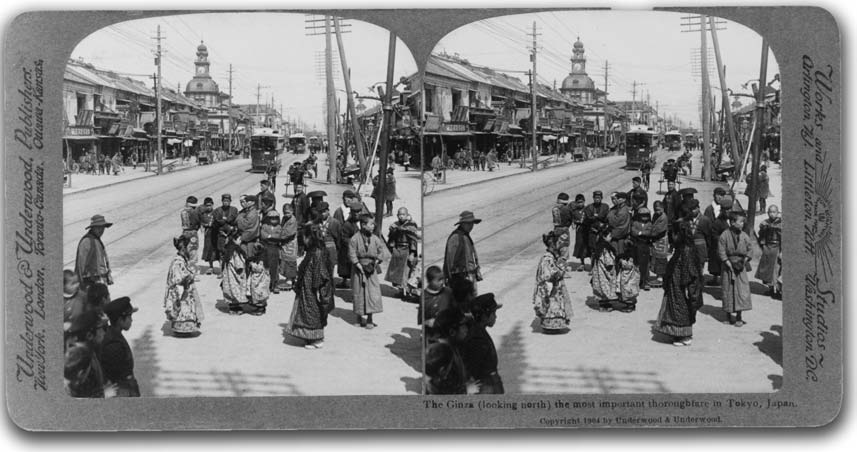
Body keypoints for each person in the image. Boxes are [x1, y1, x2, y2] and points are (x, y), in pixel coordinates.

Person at [653, 213, 704, 346]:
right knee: (676, 308)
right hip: (675, 284)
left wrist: (688, 287)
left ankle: (684, 335)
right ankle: (678, 334)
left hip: (682, 286)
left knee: (681, 308)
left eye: (674, 234)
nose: (672, 237)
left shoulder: (687, 250)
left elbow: (690, 272)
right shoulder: (680, 249)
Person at [288, 223, 335, 349]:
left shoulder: (318, 253)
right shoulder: (313, 251)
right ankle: (310, 337)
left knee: (313, 312)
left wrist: (318, 290)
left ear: (310, 238)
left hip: (314, 289)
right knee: (307, 311)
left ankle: (316, 338)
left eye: (304, 237)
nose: (303, 240)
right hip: (308, 287)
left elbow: (320, 273)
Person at [349, 213, 388, 328]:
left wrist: (376, 263)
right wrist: (358, 266)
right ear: (363, 225)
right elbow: (352, 253)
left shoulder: (375, 239)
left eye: (373, 224)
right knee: (358, 293)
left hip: (371, 269)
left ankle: (370, 318)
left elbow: (381, 252)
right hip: (358, 269)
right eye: (371, 224)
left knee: (372, 293)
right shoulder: (354, 239)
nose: (373, 226)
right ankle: (358, 317)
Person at [460, 293, 504, 394]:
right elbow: (471, 369)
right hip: (485, 389)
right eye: (493, 313)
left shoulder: (478, 331)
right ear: (484, 316)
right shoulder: (477, 340)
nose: (495, 316)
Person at [424, 308, 474, 395]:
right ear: (452, 332)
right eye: (463, 326)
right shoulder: (442, 356)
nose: (467, 329)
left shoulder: (455, 347)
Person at [718, 211, 754, 326]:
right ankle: (728, 316)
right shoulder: (724, 235)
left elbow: (750, 249)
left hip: (740, 267)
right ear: (733, 222)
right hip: (727, 267)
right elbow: (721, 251)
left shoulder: (744, 236)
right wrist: (728, 263)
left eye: (744, 221)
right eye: (741, 221)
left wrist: (745, 261)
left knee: (741, 291)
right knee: (727, 290)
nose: (743, 224)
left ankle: (739, 316)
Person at [164, 235, 204, 336]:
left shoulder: (182, 259)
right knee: (182, 310)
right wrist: (190, 276)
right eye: (188, 247)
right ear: (183, 248)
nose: (190, 249)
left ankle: (185, 328)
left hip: (185, 291)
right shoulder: (178, 262)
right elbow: (179, 278)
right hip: (181, 293)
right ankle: (182, 329)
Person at [100, 297, 140, 397]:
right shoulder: (114, 345)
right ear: (120, 320)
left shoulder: (113, 334)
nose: (132, 320)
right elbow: (117, 377)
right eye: (129, 316)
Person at [533, 230, 573, 331]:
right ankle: (551, 325)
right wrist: (561, 268)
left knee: (556, 304)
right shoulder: (547, 259)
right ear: (553, 245)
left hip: (555, 287)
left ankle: (555, 324)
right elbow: (550, 274)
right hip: (550, 289)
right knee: (552, 305)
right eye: (558, 243)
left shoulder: (553, 257)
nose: (560, 245)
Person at [64, 310, 107, 398]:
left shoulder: (88, 350)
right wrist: (106, 393)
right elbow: (70, 391)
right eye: (102, 328)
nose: (104, 332)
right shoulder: (79, 354)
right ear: (89, 335)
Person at [385, 207, 421, 296]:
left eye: (403, 214)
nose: (401, 216)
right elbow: (391, 238)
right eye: (399, 214)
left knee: (406, 272)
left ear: (407, 215)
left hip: (407, 250)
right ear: (397, 215)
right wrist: (394, 230)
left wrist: (412, 253)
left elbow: (413, 240)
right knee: (397, 272)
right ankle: (400, 291)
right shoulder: (395, 225)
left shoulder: (411, 226)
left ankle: (407, 292)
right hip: (397, 250)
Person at [75, 214, 114, 293]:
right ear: (93, 228)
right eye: (98, 227)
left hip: (100, 281)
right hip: (92, 283)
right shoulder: (87, 241)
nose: (101, 230)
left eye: (102, 227)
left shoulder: (96, 240)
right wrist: (80, 284)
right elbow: (80, 265)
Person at [332, 202, 362, 288]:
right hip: (351, 247)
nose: (356, 214)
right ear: (351, 213)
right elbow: (344, 238)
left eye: (358, 212)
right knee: (346, 262)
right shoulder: (347, 224)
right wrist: (354, 243)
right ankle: (345, 280)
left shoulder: (365, 221)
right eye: (354, 212)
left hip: (363, 248)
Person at [421, 265, 455, 340]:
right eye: (438, 280)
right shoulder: (425, 296)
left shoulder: (448, 292)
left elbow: (454, 310)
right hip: (432, 332)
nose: (442, 282)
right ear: (429, 282)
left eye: (442, 279)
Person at [590, 222, 618, 312]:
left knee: (601, 288)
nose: (611, 237)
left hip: (599, 271)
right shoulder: (605, 248)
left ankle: (603, 304)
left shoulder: (599, 246)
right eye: (610, 236)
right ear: (604, 237)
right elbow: (608, 262)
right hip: (604, 271)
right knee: (605, 287)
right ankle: (605, 306)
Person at [756, 205, 782, 298]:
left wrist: (782, 252)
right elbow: (761, 236)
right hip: (767, 247)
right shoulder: (764, 223)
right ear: (767, 213)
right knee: (767, 269)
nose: (772, 214)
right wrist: (763, 246)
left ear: (778, 213)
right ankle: (771, 288)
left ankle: (777, 290)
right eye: (770, 212)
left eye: (774, 212)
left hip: (777, 247)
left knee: (776, 269)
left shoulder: (781, 224)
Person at [219, 225, 247, 315]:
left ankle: (232, 308)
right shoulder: (236, 251)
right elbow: (239, 265)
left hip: (228, 275)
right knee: (236, 291)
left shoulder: (228, 250)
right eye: (239, 239)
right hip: (235, 276)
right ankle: (236, 308)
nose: (241, 241)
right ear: (234, 239)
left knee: (230, 291)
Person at [707, 196, 734, 285]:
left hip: (732, 248)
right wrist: (724, 240)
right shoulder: (718, 222)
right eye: (726, 210)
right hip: (721, 248)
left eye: (729, 210)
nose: (728, 212)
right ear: (722, 210)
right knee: (721, 267)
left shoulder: (734, 219)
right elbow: (714, 235)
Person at [212, 194, 239, 277]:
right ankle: (222, 270)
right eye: (224, 201)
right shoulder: (217, 210)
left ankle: (231, 270)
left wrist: (225, 221)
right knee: (221, 252)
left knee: (231, 252)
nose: (226, 202)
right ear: (222, 201)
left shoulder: (234, 209)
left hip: (231, 234)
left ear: (230, 201)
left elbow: (234, 219)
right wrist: (225, 221)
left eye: (227, 201)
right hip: (221, 234)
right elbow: (218, 221)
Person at [582, 191, 610, 270]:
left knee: (603, 248)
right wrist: (598, 217)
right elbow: (588, 217)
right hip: (592, 231)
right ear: (593, 198)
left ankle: (602, 266)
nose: (597, 199)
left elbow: (606, 217)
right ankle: (593, 266)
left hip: (602, 231)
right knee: (592, 249)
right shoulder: (589, 207)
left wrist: (596, 216)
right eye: (595, 198)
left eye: (599, 198)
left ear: (601, 198)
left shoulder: (605, 206)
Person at [260, 210, 283, 294]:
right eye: (271, 218)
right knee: (266, 266)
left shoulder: (279, 227)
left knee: (275, 266)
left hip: (275, 247)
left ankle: (275, 284)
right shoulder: (265, 226)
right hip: (266, 247)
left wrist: (269, 236)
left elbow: (279, 236)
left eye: (275, 218)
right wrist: (271, 236)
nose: (273, 220)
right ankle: (267, 284)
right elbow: (263, 235)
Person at [244, 243, 270, 316]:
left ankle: (260, 309)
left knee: (259, 292)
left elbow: (259, 269)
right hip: (260, 279)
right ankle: (260, 308)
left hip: (260, 280)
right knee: (258, 293)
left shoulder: (262, 259)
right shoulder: (261, 258)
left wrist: (252, 264)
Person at [630, 207, 653, 291]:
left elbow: (649, 232)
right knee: (636, 263)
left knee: (645, 264)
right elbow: (633, 231)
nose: (644, 218)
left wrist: (640, 233)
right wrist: (641, 233)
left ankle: (645, 281)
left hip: (645, 245)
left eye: (646, 216)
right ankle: (637, 281)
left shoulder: (649, 224)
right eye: (642, 216)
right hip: (637, 245)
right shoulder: (635, 223)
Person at [649, 201, 670, 288]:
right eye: (655, 210)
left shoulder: (663, 217)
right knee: (656, 258)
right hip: (656, 240)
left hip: (661, 240)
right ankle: (658, 276)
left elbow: (659, 229)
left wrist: (650, 232)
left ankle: (660, 278)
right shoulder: (655, 215)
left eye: (658, 210)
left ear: (663, 208)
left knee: (661, 259)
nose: (657, 212)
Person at [180, 196, 202, 279]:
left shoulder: (183, 212)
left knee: (185, 252)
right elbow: (198, 223)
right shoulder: (194, 212)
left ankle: (185, 271)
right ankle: (192, 273)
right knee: (193, 253)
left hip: (185, 233)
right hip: (193, 233)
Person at [278, 204, 299, 291]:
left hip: (290, 243)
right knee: (284, 260)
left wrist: (279, 235)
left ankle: (290, 280)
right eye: (284, 213)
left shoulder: (292, 220)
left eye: (287, 213)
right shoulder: (284, 218)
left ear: (292, 211)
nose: (286, 214)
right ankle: (288, 278)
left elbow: (288, 232)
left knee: (290, 261)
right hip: (284, 243)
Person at [236, 195, 261, 261]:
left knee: (249, 258)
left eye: (247, 201)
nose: (245, 203)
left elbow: (245, 226)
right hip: (246, 238)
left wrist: (239, 219)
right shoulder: (247, 211)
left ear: (253, 202)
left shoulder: (253, 213)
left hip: (250, 239)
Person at [551, 193, 573, 262]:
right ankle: (563, 264)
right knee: (564, 246)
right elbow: (570, 218)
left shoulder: (554, 208)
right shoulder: (566, 209)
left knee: (557, 246)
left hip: (556, 229)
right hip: (564, 229)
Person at [291, 185, 311, 256]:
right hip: (296, 219)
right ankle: (298, 250)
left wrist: (305, 220)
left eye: (300, 188)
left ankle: (301, 251)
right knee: (297, 236)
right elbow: (292, 206)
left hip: (301, 220)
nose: (298, 189)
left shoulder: (304, 197)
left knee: (301, 236)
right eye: (297, 188)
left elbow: (306, 210)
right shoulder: (295, 197)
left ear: (302, 188)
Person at [570, 194, 588, 270]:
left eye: (581, 202)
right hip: (579, 230)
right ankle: (582, 263)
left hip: (587, 229)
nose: (580, 204)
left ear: (584, 202)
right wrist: (573, 223)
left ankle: (593, 264)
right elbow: (572, 219)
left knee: (589, 246)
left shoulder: (587, 209)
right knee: (580, 246)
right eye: (578, 202)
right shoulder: (574, 211)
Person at [199, 197, 216, 275]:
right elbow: (201, 222)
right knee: (209, 250)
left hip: (216, 233)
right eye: (207, 205)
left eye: (210, 205)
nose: (209, 207)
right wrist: (204, 226)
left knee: (217, 250)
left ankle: (222, 268)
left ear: (212, 205)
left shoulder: (216, 212)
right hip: (208, 234)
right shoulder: (203, 214)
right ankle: (211, 267)